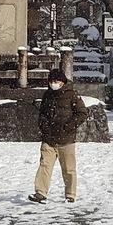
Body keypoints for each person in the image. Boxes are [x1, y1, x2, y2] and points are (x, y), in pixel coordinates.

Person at [30, 68, 87, 203]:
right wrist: (44, 127)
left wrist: (68, 127)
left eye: (56, 81)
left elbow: (82, 113)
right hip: (49, 138)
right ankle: (40, 193)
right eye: (51, 81)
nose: (53, 84)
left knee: (68, 169)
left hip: (66, 139)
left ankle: (70, 195)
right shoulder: (47, 95)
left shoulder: (72, 95)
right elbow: (42, 114)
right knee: (45, 165)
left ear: (62, 82)